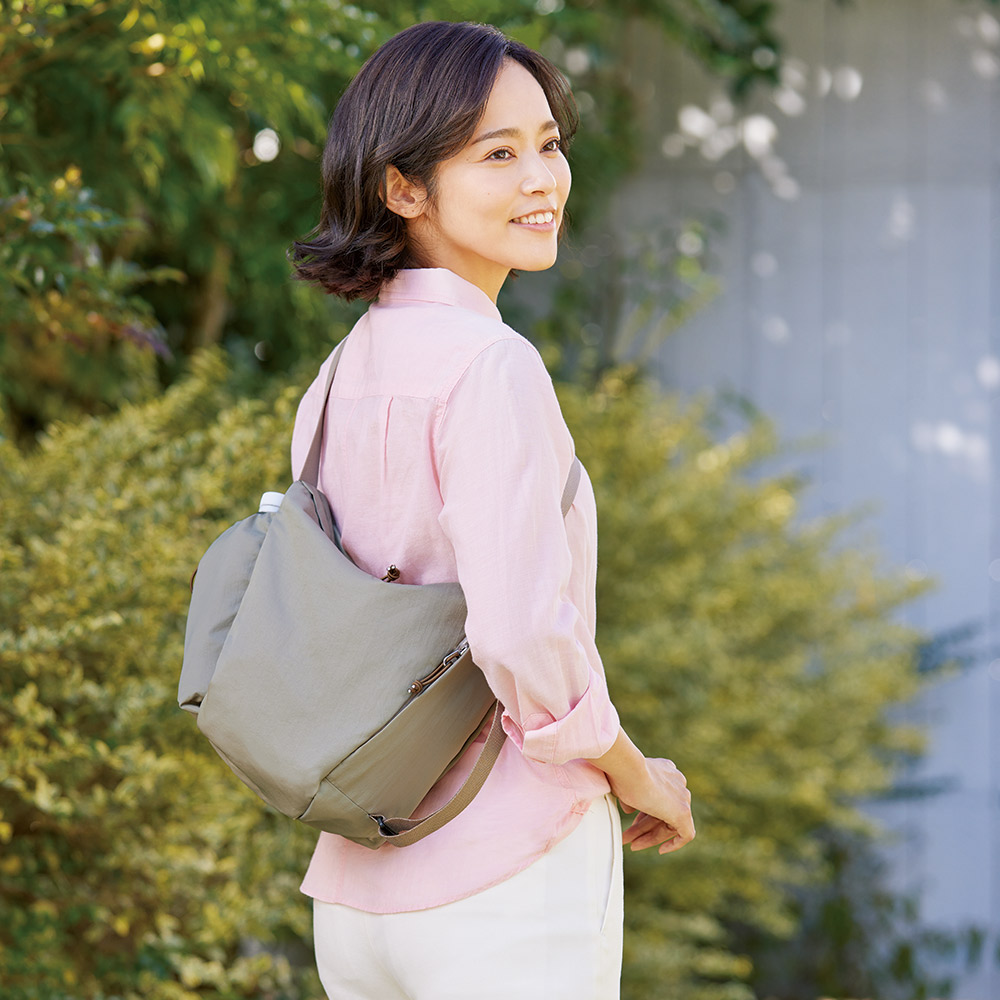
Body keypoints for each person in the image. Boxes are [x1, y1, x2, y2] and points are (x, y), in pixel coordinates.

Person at [287, 20, 695, 1000]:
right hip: (506, 880)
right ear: (403, 187)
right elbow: (519, 638)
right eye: (497, 154)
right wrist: (640, 777)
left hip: (357, 888)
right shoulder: (492, 365)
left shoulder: (340, 376)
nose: (541, 180)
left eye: (548, 144)